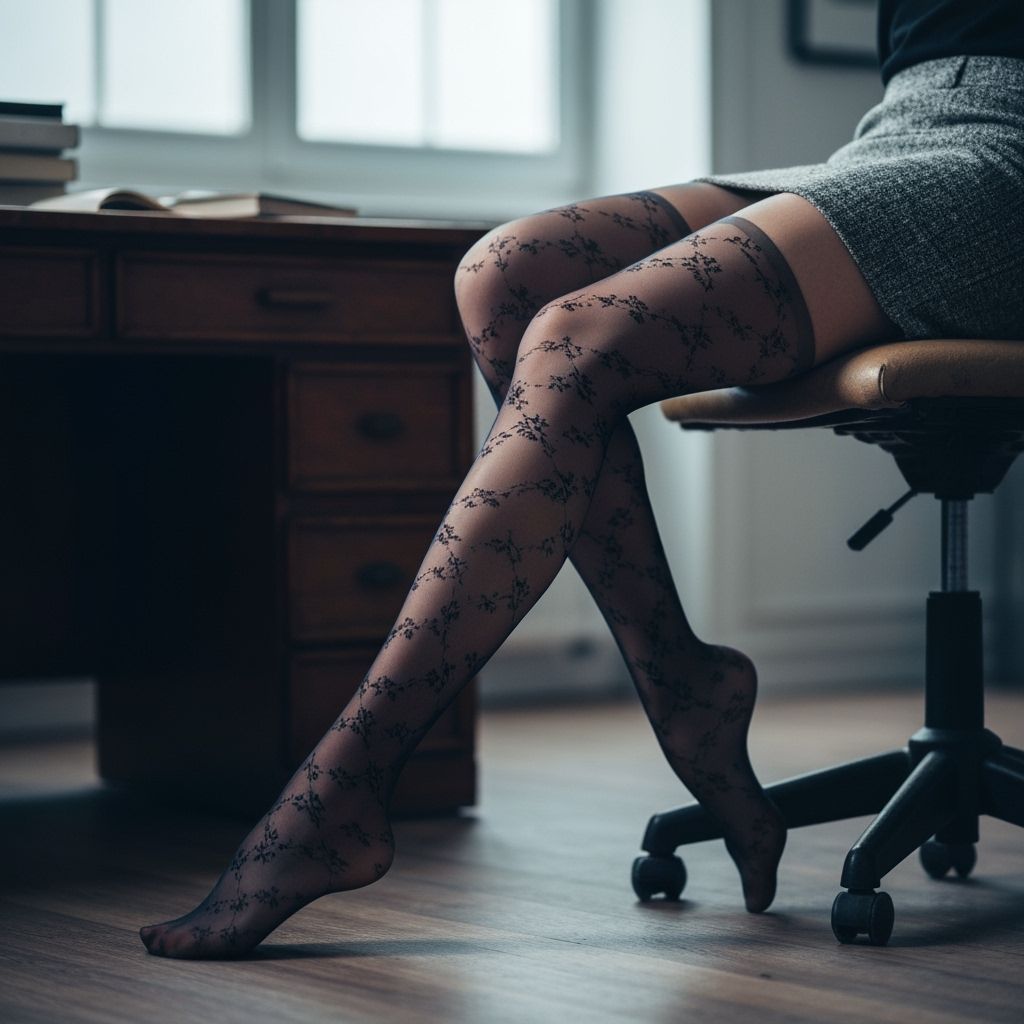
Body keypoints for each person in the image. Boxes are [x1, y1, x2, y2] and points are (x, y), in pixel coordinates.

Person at [139, 0, 1024, 958]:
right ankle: (681, 676)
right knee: (504, 274)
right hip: (892, 138)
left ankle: (341, 790)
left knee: (575, 336)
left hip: (1002, 169)